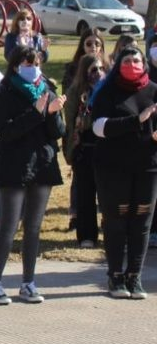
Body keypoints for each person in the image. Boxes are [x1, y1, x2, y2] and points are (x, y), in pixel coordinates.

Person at [0, 45, 65, 305]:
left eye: (36, 62)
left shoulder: (47, 89)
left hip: (42, 163)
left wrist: (52, 113)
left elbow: (57, 132)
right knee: (9, 226)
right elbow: (6, 132)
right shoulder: (5, 92)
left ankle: (28, 282)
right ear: (16, 65)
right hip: (15, 165)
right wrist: (35, 112)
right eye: (27, 62)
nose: (33, 67)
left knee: (33, 227)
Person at [91, 45, 157, 299]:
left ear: (145, 63)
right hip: (113, 167)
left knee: (141, 222)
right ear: (119, 63)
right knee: (116, 221)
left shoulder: (153, 90)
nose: (132, 63)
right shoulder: (108, 91)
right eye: (127, 60)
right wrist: (136, 121)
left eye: (136, 59)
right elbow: (98, 127)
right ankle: (115, 275)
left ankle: (134, 276)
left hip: (148, 167)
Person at [64, 53, 105, 249]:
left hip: (106, 148)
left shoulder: (108, 90)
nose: (98, 73)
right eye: (94, 70)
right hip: (85, 148)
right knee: (86, 194)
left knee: (108, 194)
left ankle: (110, 231)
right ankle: (87, 235)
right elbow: (71, 123)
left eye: (101, 69)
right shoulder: (76, 93)